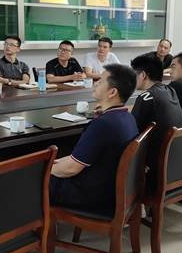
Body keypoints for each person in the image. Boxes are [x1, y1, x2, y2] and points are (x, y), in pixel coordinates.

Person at [50, 64, 138, 213]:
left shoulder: (104, 123)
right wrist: (56, 163)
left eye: (100, 81)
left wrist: (45, 170)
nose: (95, 83)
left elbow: (71, 168)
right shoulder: (127, 117)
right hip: (112, 189)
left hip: (92, 195)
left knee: (32, 179)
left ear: (112, 92)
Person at [130, 53, 182, 190]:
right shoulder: (170, 90)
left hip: (155, 167)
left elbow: (131, 132)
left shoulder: (146, 97)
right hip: (176, 161)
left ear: (143, 75)